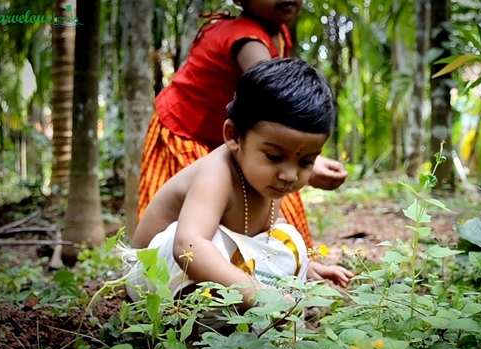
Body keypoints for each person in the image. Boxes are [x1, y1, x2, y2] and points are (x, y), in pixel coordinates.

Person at [126, 58, 354, 314]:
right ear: (234, 136)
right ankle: (191, 328)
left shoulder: (269, 180)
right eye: (274, 156)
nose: (289, 175)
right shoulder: (217, 172)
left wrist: (305, 266)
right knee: (199, 243)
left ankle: (231, 323)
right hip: (154, 276)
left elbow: (268, 232)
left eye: (306, 161)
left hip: (200, 272)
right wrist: (260, 296)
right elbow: (186, 245)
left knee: (289, 238)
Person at [137, 0, 348, 251]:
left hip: (245, 140)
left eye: (305, 161)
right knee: (201, 225)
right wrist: (301, 157)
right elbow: (272, 100)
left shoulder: (278, 34)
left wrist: (296, 156)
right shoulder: (248, 40)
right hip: (186, 133)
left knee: (270, 192)